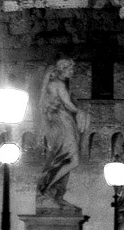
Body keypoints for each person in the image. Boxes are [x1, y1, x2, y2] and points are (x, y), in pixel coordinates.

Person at [36, 58, 88, 211]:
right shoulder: (58, 84)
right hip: (62, 123)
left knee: (62, 158)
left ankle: (53, 193)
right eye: (70, 69)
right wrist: (81, 112)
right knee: (72, 159)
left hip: (61, 122)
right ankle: (44, 189)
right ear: (62, 69)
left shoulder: (54, 84)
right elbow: (68, 104)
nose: (72, 72)